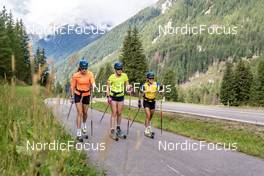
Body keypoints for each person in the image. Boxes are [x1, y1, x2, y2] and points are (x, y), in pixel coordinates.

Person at [70, 58, 95, 142]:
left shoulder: (90, 74)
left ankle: (84, 125)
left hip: (87, 94)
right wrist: (72, 96)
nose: (84, 70)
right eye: (82, 68)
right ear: (80, 68)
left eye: (85, 68)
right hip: (78, 94)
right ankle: (78, 132)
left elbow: (92, 81)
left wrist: (94, 85)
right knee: (79, 113)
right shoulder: (75, 75)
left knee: (85, 113)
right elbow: (72, 87)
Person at [106, 62, 131, 139]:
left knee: (119, 113)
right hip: (113, 97)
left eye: (121, 69)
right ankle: (112, 130)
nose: (120, 71)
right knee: (114, 113)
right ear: (115, 70)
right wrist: (108, 96)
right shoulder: (111, 77)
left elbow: (127, 85)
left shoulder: (125, 76)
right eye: (118, 69)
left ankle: (118, 128)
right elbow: (107, 88)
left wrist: (129, 88)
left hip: (121, 96)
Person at [138, 71, 162, 138]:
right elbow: (140, 93)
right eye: (150, 78)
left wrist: (161, 90)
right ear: (147, 79)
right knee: (148, 115)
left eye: (152, 78)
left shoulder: (156, 84)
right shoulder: (144, 85)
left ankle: (147, 125)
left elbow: (161, 91)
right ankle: (147, 131)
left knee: (150, 116)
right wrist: (139, 101)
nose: (151, 80)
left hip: (153, 102)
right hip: (146, 101)